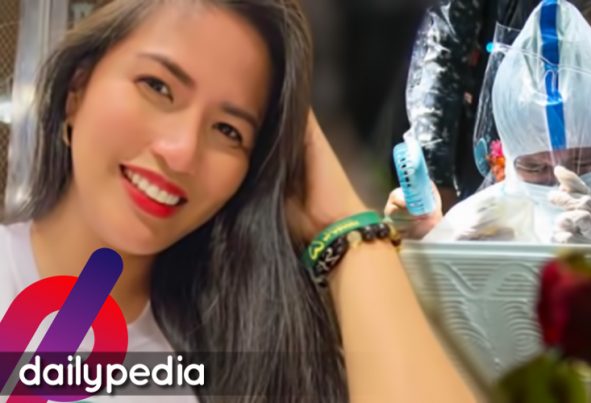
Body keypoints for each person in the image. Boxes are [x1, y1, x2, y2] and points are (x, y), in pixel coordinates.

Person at [0, 1, 475, 402]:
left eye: (229, 130)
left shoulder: (246, 362)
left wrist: (347, 227)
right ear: (77, 89)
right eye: (157, 87)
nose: (182, 151)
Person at [388, 0, 591, 245]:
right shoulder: (479, 223)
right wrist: (432, 234)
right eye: (536, 168)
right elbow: (441, 44)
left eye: (585, 162)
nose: (562, 185)